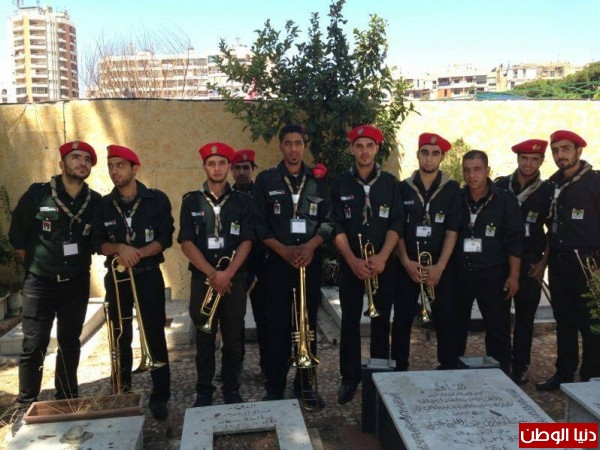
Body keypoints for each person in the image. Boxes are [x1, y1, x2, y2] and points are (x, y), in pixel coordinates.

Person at [8, 141, 101, 422]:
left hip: (75, 283)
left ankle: (67, 396)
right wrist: (39, 265)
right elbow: (18, 236)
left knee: (69, 342)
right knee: (33, 344)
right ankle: (25, 402)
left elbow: (98, 239)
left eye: (87, 160)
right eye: (75, 157)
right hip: (41, 283)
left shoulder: (95, 201)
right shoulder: (39, 194)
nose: (82, 163)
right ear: (62, 163)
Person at [253, 124, 333, 409]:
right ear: (281, 146)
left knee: (307, 323)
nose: (294, 149)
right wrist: (283, 250)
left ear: (304, 146)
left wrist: (310, 247)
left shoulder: (318, 180)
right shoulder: (267, 180)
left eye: (298, 143)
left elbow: (328, 221)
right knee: (276, 325)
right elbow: (259, 224)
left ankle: (305, 384)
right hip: (277, 263)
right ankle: (275, 386)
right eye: (288, 143)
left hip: (309, 262)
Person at [92, 145, 174, 419]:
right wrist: (119, 249)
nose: (114, 171)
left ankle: (160, 395)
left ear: (134, 168)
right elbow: (97, 242)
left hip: (148, 275)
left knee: (154, 334)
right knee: (119, 334)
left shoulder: (156, 199)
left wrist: (136, 253)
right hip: (117, 278)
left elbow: (165, 237)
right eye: (110, 166)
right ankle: (122, 388)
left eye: (120, 165)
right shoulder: (103, 204)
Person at [331, 125, 403, 405]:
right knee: (349, 322)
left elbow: (396, 223)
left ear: (376, 149)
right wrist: (352, 260)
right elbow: (336, 225)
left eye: (369, 146)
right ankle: (349, 377)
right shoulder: (340, 183)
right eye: (359, 146)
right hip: (352, 265)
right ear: (352, 149)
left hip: (383, 265)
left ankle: (378, 374)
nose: (364, 151)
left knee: (381, 320)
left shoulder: (390, 183)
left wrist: (383, 256)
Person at [179, 142, 253, 406]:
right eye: (212, 163)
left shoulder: (243, 202)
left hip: (234, 281)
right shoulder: (191, 201)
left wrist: (227, 274)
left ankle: (232, 388)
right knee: (204, 339)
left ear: (229, 167)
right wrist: (213, 274)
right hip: (203, 280)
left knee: (233, 339)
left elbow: (247, 241)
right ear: (204, 167)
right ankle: (204, 390)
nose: (217, 168)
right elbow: (186, 242)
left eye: (222, 163)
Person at [536, 130, 600, 390]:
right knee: (564, 322)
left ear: (579, 151)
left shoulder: (594, 183)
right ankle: (563, 373)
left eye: (565, 149)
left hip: (589, 265)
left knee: (592, 324)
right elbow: (550, 228)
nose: (560, 155)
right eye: (555, 150)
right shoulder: (552, 185)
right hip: (560, 264)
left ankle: (590, 377)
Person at [395, 133, 462, 373]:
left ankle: (447, 366)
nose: (429, 158)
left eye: (435, 153)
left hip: (439, 267)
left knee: (445, 318)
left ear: (441, 157)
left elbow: (452, 231)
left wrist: (440, 267)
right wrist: (405, 261)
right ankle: (400, 367)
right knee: (402, 318)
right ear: (418, 155)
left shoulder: (452, 189)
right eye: (425, 152)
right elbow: (396, 228)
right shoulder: (403, 188)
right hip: (408, 266)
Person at [454, 150, 523, 374]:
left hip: (493, 274)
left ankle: (501, 374)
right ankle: (452, 371)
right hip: (461, 273)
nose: (471, 175)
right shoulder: (457, 198)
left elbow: (514, 240)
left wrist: (514, 276)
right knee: (455, 326)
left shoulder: (504, 200)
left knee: (497, 328)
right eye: (467, 170)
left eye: (477, 169)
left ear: (487, 170)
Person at [494, 139, 552, 385]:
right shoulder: (500, 186)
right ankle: (499, 362)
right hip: (500, 262)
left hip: (530, 263)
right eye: (524, 158)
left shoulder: (547, 191)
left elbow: (554, 230)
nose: (528, 164)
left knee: (525, 318)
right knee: (498, 316)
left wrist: (543, 264)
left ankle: (520, 365)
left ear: (541, 161)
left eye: (534, 159)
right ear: (517, 159)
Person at [231, 149, 268, 377]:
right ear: (231, 170)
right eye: (237, 168)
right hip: (234, 267)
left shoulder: (261, 194)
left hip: (260, 266)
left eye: (246, 167)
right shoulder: (226, 196)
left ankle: (266, 365)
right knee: (233, 321)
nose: (242, 172)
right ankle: (234, 365)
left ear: (253, 169)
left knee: (264, 319)